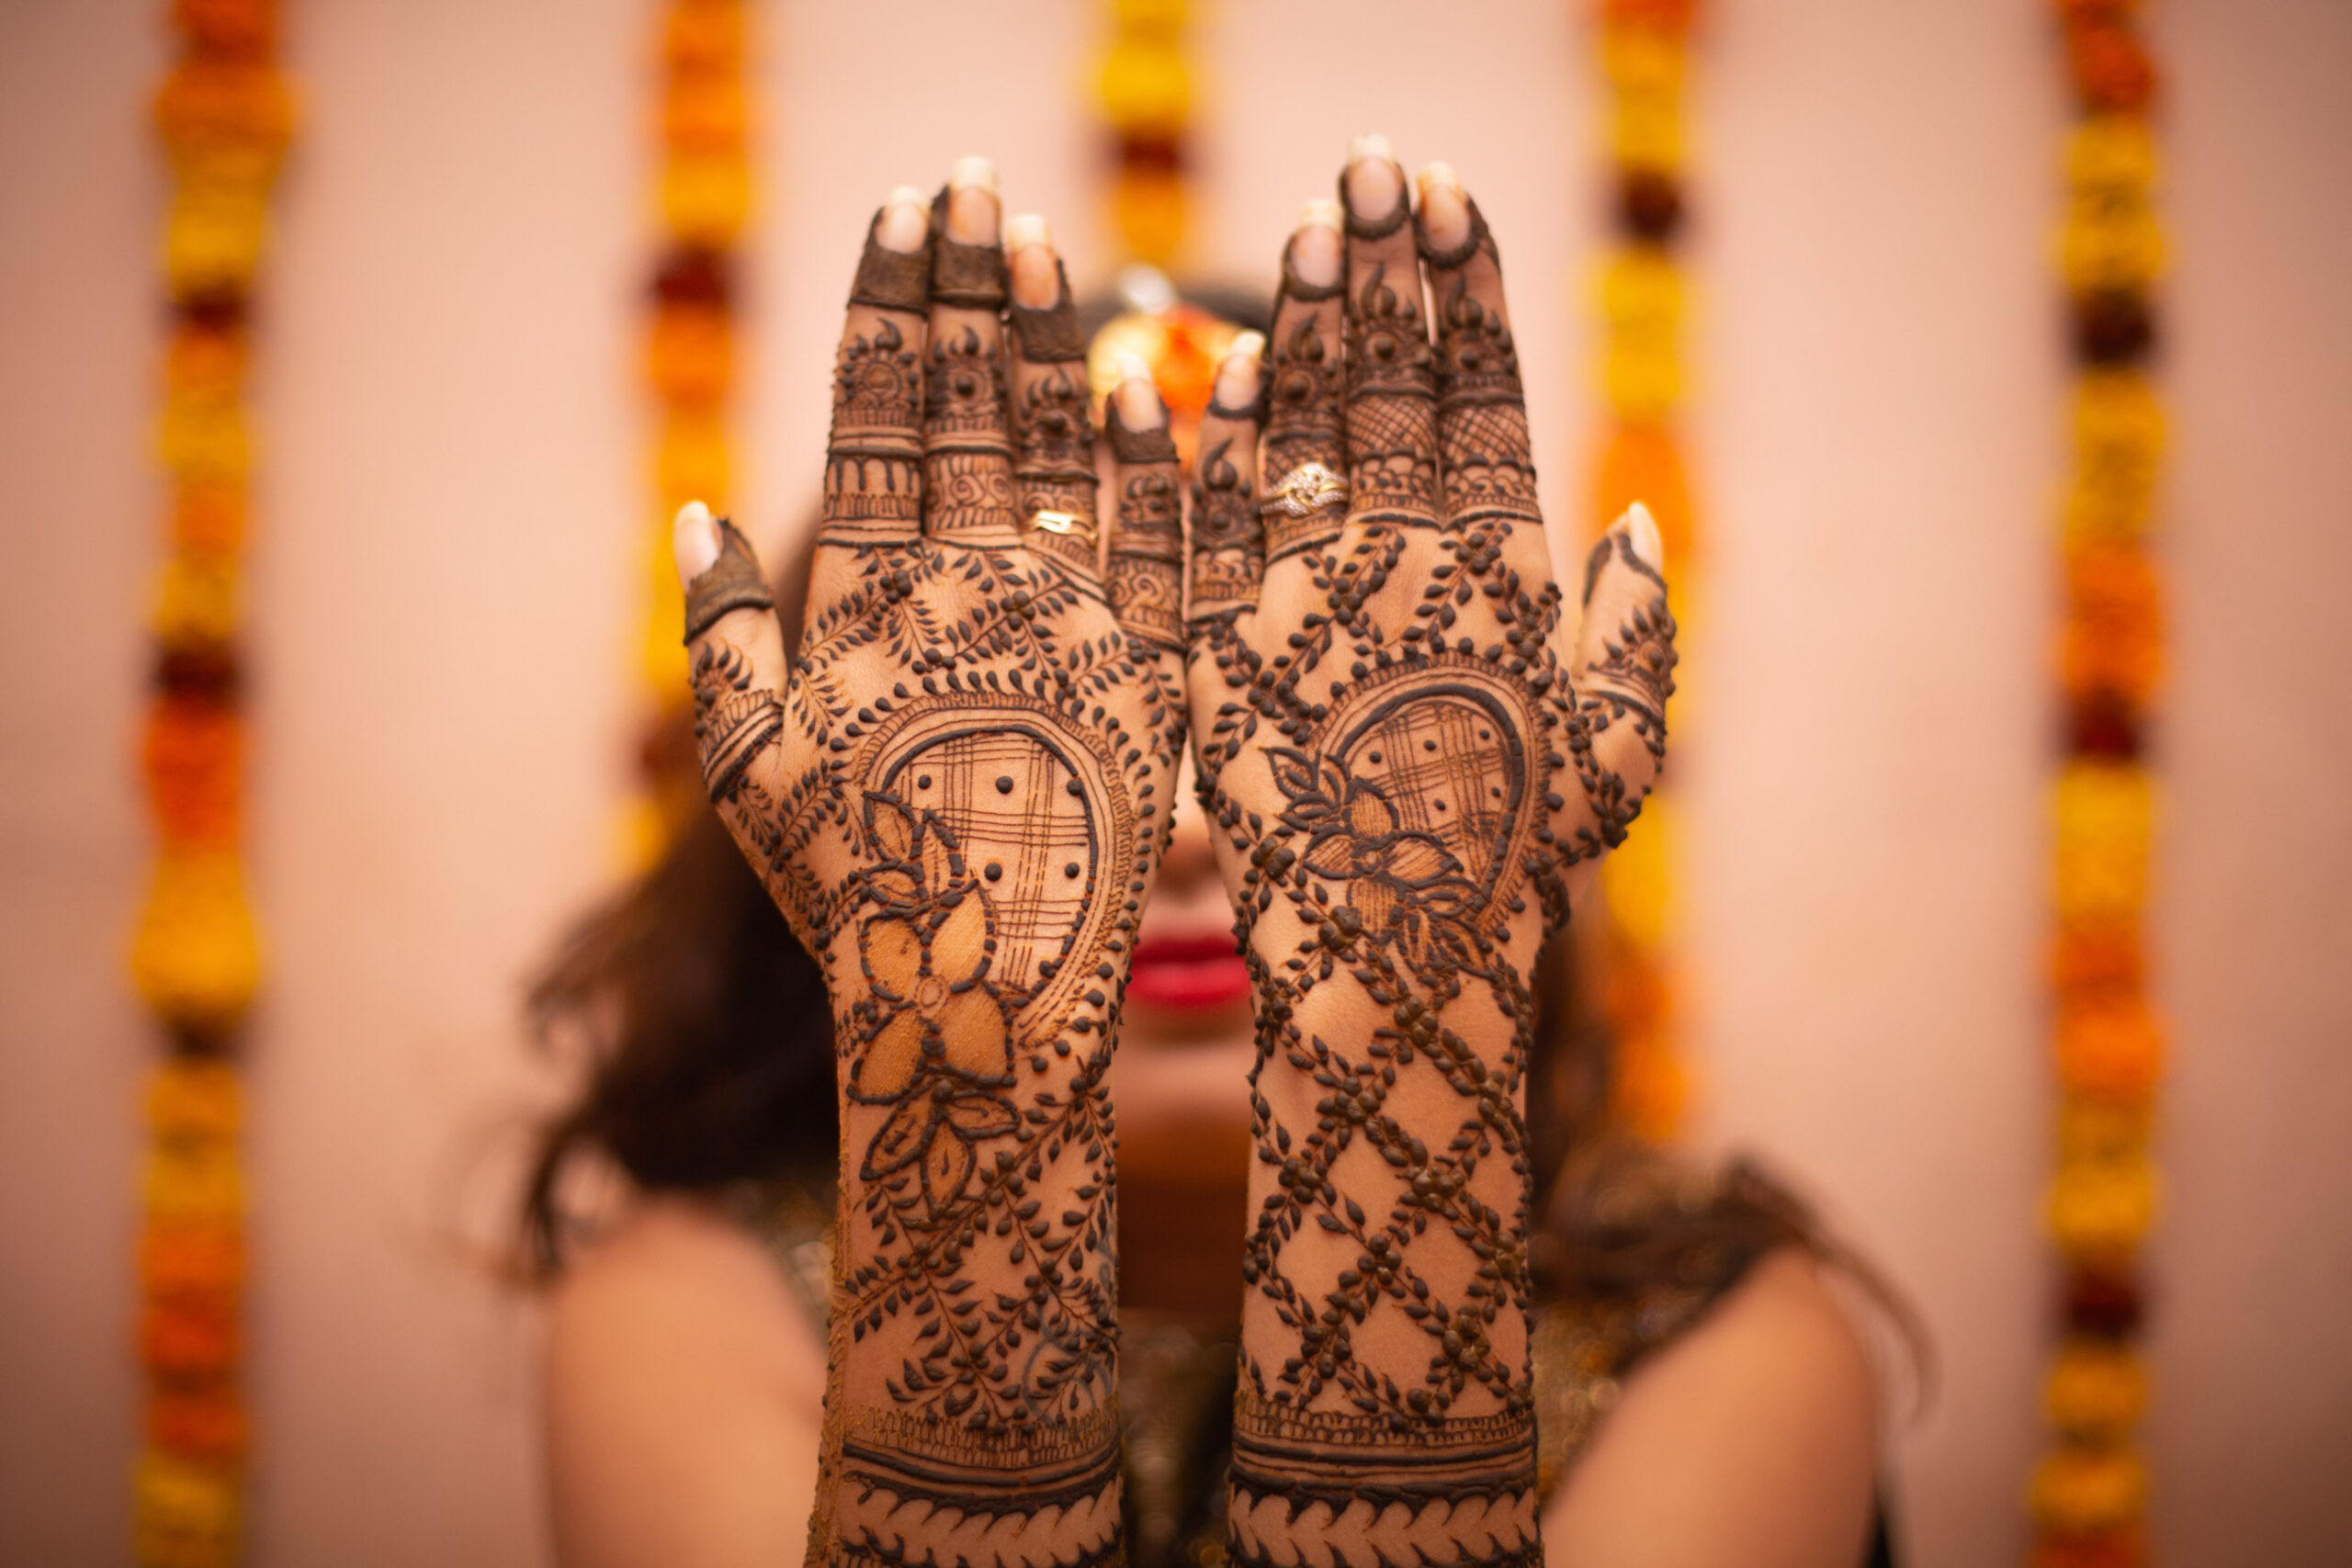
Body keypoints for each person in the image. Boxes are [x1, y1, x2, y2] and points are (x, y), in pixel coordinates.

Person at [522, 141, 1898, 1568]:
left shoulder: (1720, 1332)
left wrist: (1393, 1108)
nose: (1186, 831)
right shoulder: (689, 1308)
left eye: (1269, 708)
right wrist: (978, 1152)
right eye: (1085, 717)